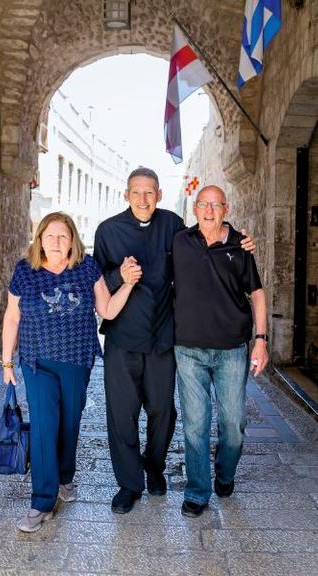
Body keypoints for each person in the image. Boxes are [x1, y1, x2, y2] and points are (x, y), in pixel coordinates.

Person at [93, 167, 256, 514]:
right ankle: (128, 484)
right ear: (126, 195)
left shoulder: (173, 227)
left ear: (160, 195)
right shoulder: (107, 231)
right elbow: (96, 281)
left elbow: (206, 240)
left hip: (164, 337)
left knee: (163, 412)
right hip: (123, 338)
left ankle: (154, 469)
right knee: (122, 415)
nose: (142, 199)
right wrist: (117, 275)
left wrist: (241, 240)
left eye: (149, 192)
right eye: (136, 192)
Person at [1, 212, 142, 532]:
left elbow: (105, 310)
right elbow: (11, 317)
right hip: (37, 362)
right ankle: (41, 502)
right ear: (39, 240)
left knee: (68, 425)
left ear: (72, 241)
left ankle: (66, 476)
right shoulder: (25, 271)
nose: (55, 242)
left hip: (77, 361)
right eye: (49, 236)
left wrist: (128, 285)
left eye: (62, 236)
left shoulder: (87, 268)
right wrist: (7, 362)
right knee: (43, 427)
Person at [173, 185, 269, 518]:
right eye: (204, 204)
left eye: (216, 205)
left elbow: (256, 294)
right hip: (188, 349)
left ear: (225, 209)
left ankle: (224, 474)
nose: (209, 210)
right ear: (194, 208)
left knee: (234, 422)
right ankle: (198, 491)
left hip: (231, 349)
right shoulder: (179, 242)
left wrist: (261, 339)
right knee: (195, 423)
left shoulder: (241, 245)